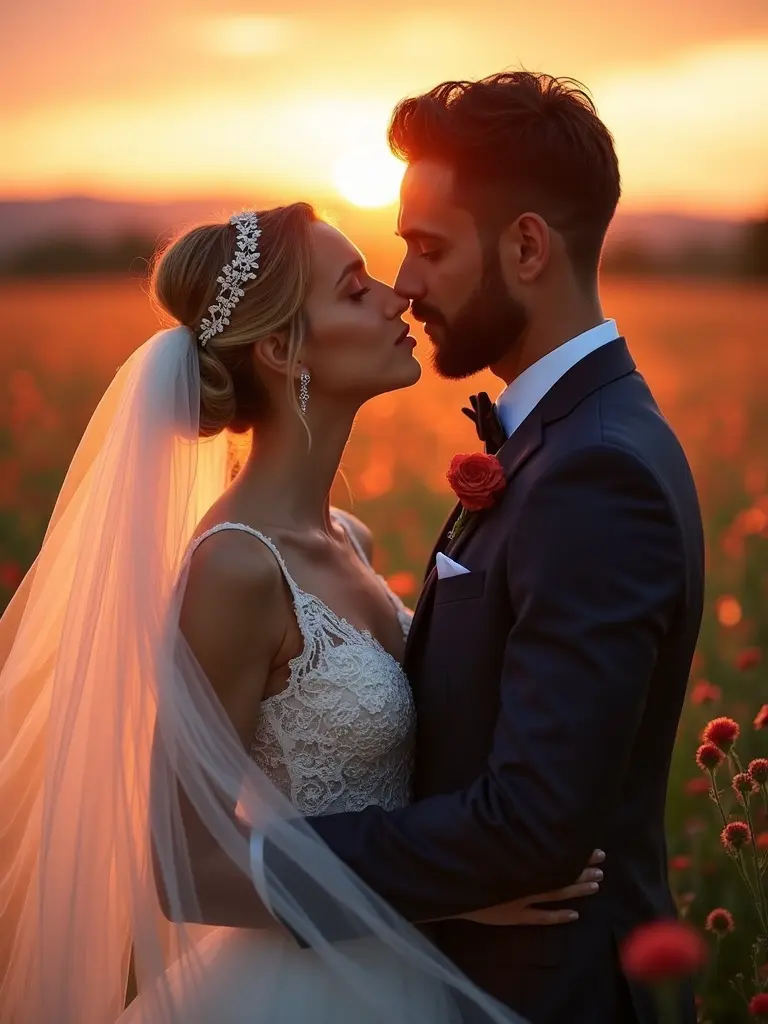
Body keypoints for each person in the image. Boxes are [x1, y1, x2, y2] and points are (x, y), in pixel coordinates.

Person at [0, 202, 601, 1024]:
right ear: (283, 350)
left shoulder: (345, 535)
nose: (397, 299)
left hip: (405, 970)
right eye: (356, 291)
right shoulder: (237, 568)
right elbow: (183, 868)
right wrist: (439, 896)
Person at [257, 73, 705, 1023]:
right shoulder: (562, 437)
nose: (406, 283)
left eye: (426, 247)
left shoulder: (593, 472)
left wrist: (257, 858)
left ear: (528, 246)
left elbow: (534, 825)